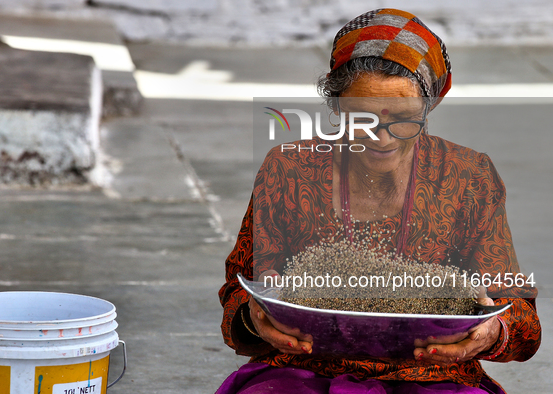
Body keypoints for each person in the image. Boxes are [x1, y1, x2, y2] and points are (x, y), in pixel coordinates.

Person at [217, 8, 541, 394]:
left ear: (428, 107)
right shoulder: (288, 171)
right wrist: (256, 317)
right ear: (336, 105)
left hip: (431, 374)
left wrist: (491, 330)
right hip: (304, 365)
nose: (381, 139)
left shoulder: (468, 178)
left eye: (404, 119)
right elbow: (240, 290)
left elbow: (518, 313)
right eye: (361, 119)